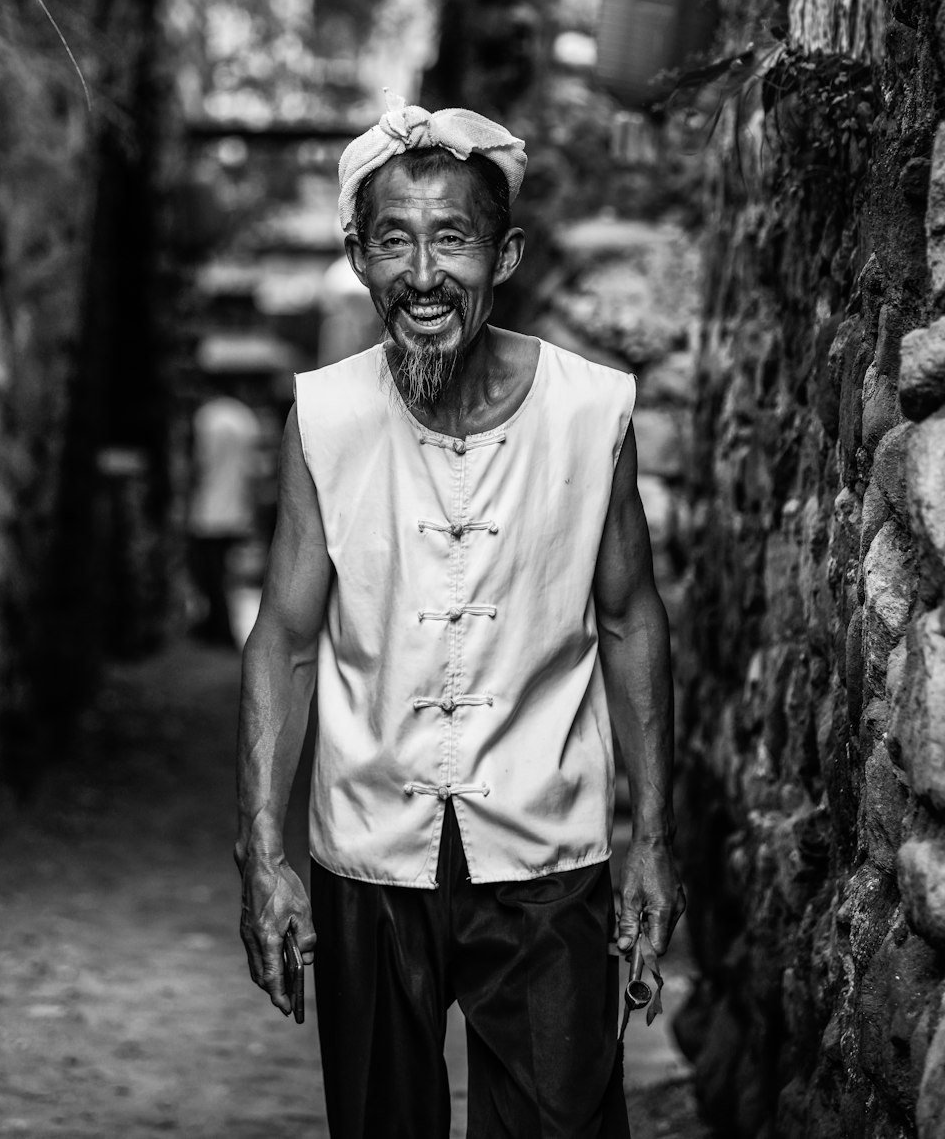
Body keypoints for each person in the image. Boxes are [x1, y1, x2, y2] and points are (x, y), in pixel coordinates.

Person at [235, 94, 685, 1139]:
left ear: (507, 252)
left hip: (547, 851)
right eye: (394, 240)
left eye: (453, 240)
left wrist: (651, 838)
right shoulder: (327, 416)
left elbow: (629, 622)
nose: (424, 276)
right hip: (368, 851)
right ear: (358, 258)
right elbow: (287, 640)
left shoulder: (590, 411)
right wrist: (261, 854)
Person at [187, 388, 261, 648]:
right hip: (235, 507)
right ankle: (222, 626)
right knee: (227, 575)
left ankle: (219, 628)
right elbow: (253, 470)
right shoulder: (245, 418)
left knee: (210, 572)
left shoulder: (206, 417)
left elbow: (199, 464)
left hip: (208, 508)